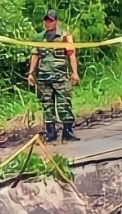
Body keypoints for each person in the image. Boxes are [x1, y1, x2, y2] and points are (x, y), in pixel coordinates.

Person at [27, 9, 81, 143]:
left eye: (51, 20)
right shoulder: (39, 38)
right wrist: (31, 73)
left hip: (61, 77)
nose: (48, 22)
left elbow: (71, 54)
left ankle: (67, 132)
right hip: (44, 78)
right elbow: (35, 55)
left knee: (64, 104)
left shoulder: (64, 36)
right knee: (47, 105)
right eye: (46, 20)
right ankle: (50, 133)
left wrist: (74, 72)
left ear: (56, 21)